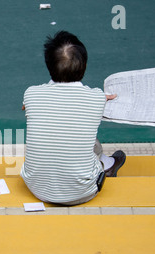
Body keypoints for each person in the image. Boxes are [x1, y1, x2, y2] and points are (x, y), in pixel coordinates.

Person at [20, 31, 126, 206]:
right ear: (84, 66)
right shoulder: (96, 97)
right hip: (82, 192)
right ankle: (108, 165)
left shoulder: (31, 94)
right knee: (90, 141)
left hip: (36, 187)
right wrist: (101, 98)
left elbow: (32, 104)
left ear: (48, 65)